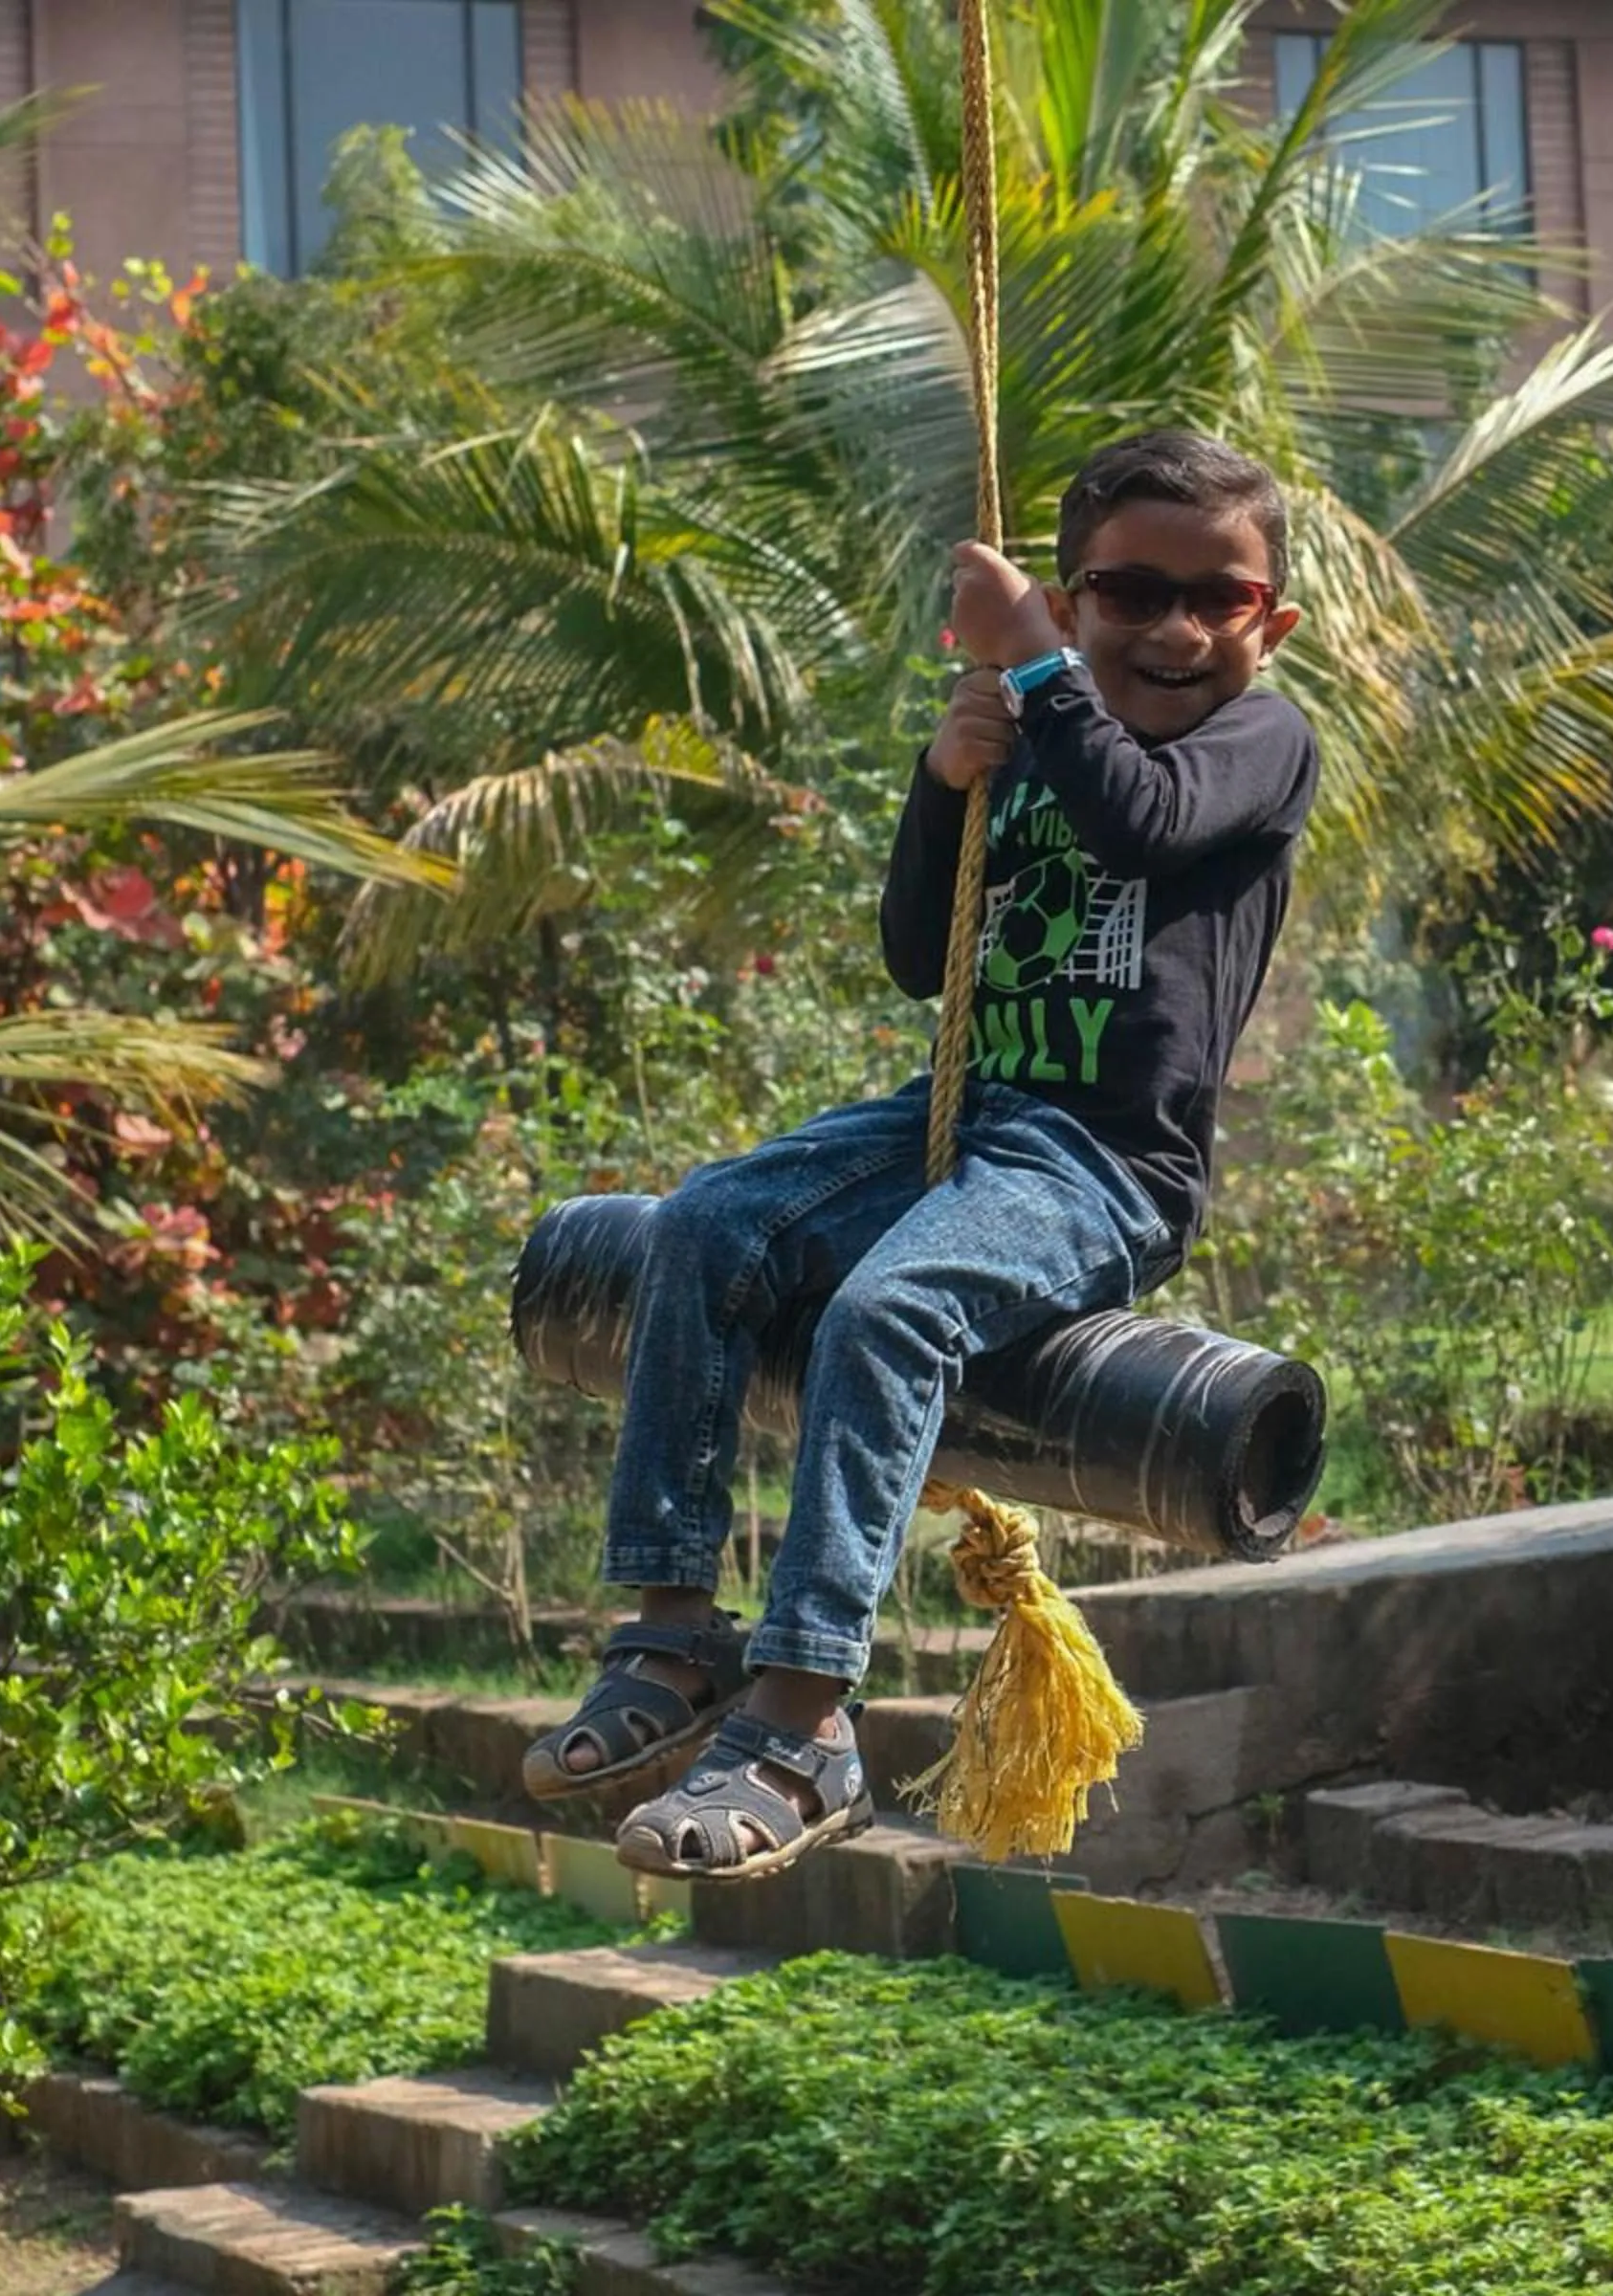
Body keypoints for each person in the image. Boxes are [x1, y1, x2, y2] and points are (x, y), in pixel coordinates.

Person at [518, 430, 1317, 1882]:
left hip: (1101, 1161)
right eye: (1131, 594)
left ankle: (804, 1713)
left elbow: (1144, 824)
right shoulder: (1032, 726)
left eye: (1221, 599)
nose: (1178, 629)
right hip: (959, 1111)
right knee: (705, 1223)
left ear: (1274, 623)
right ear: (1073, 599)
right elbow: (916, 953)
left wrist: (1037, 672)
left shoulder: (1256, 743)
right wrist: (946, 782)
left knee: (893, 1310)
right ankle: (672, 1630)